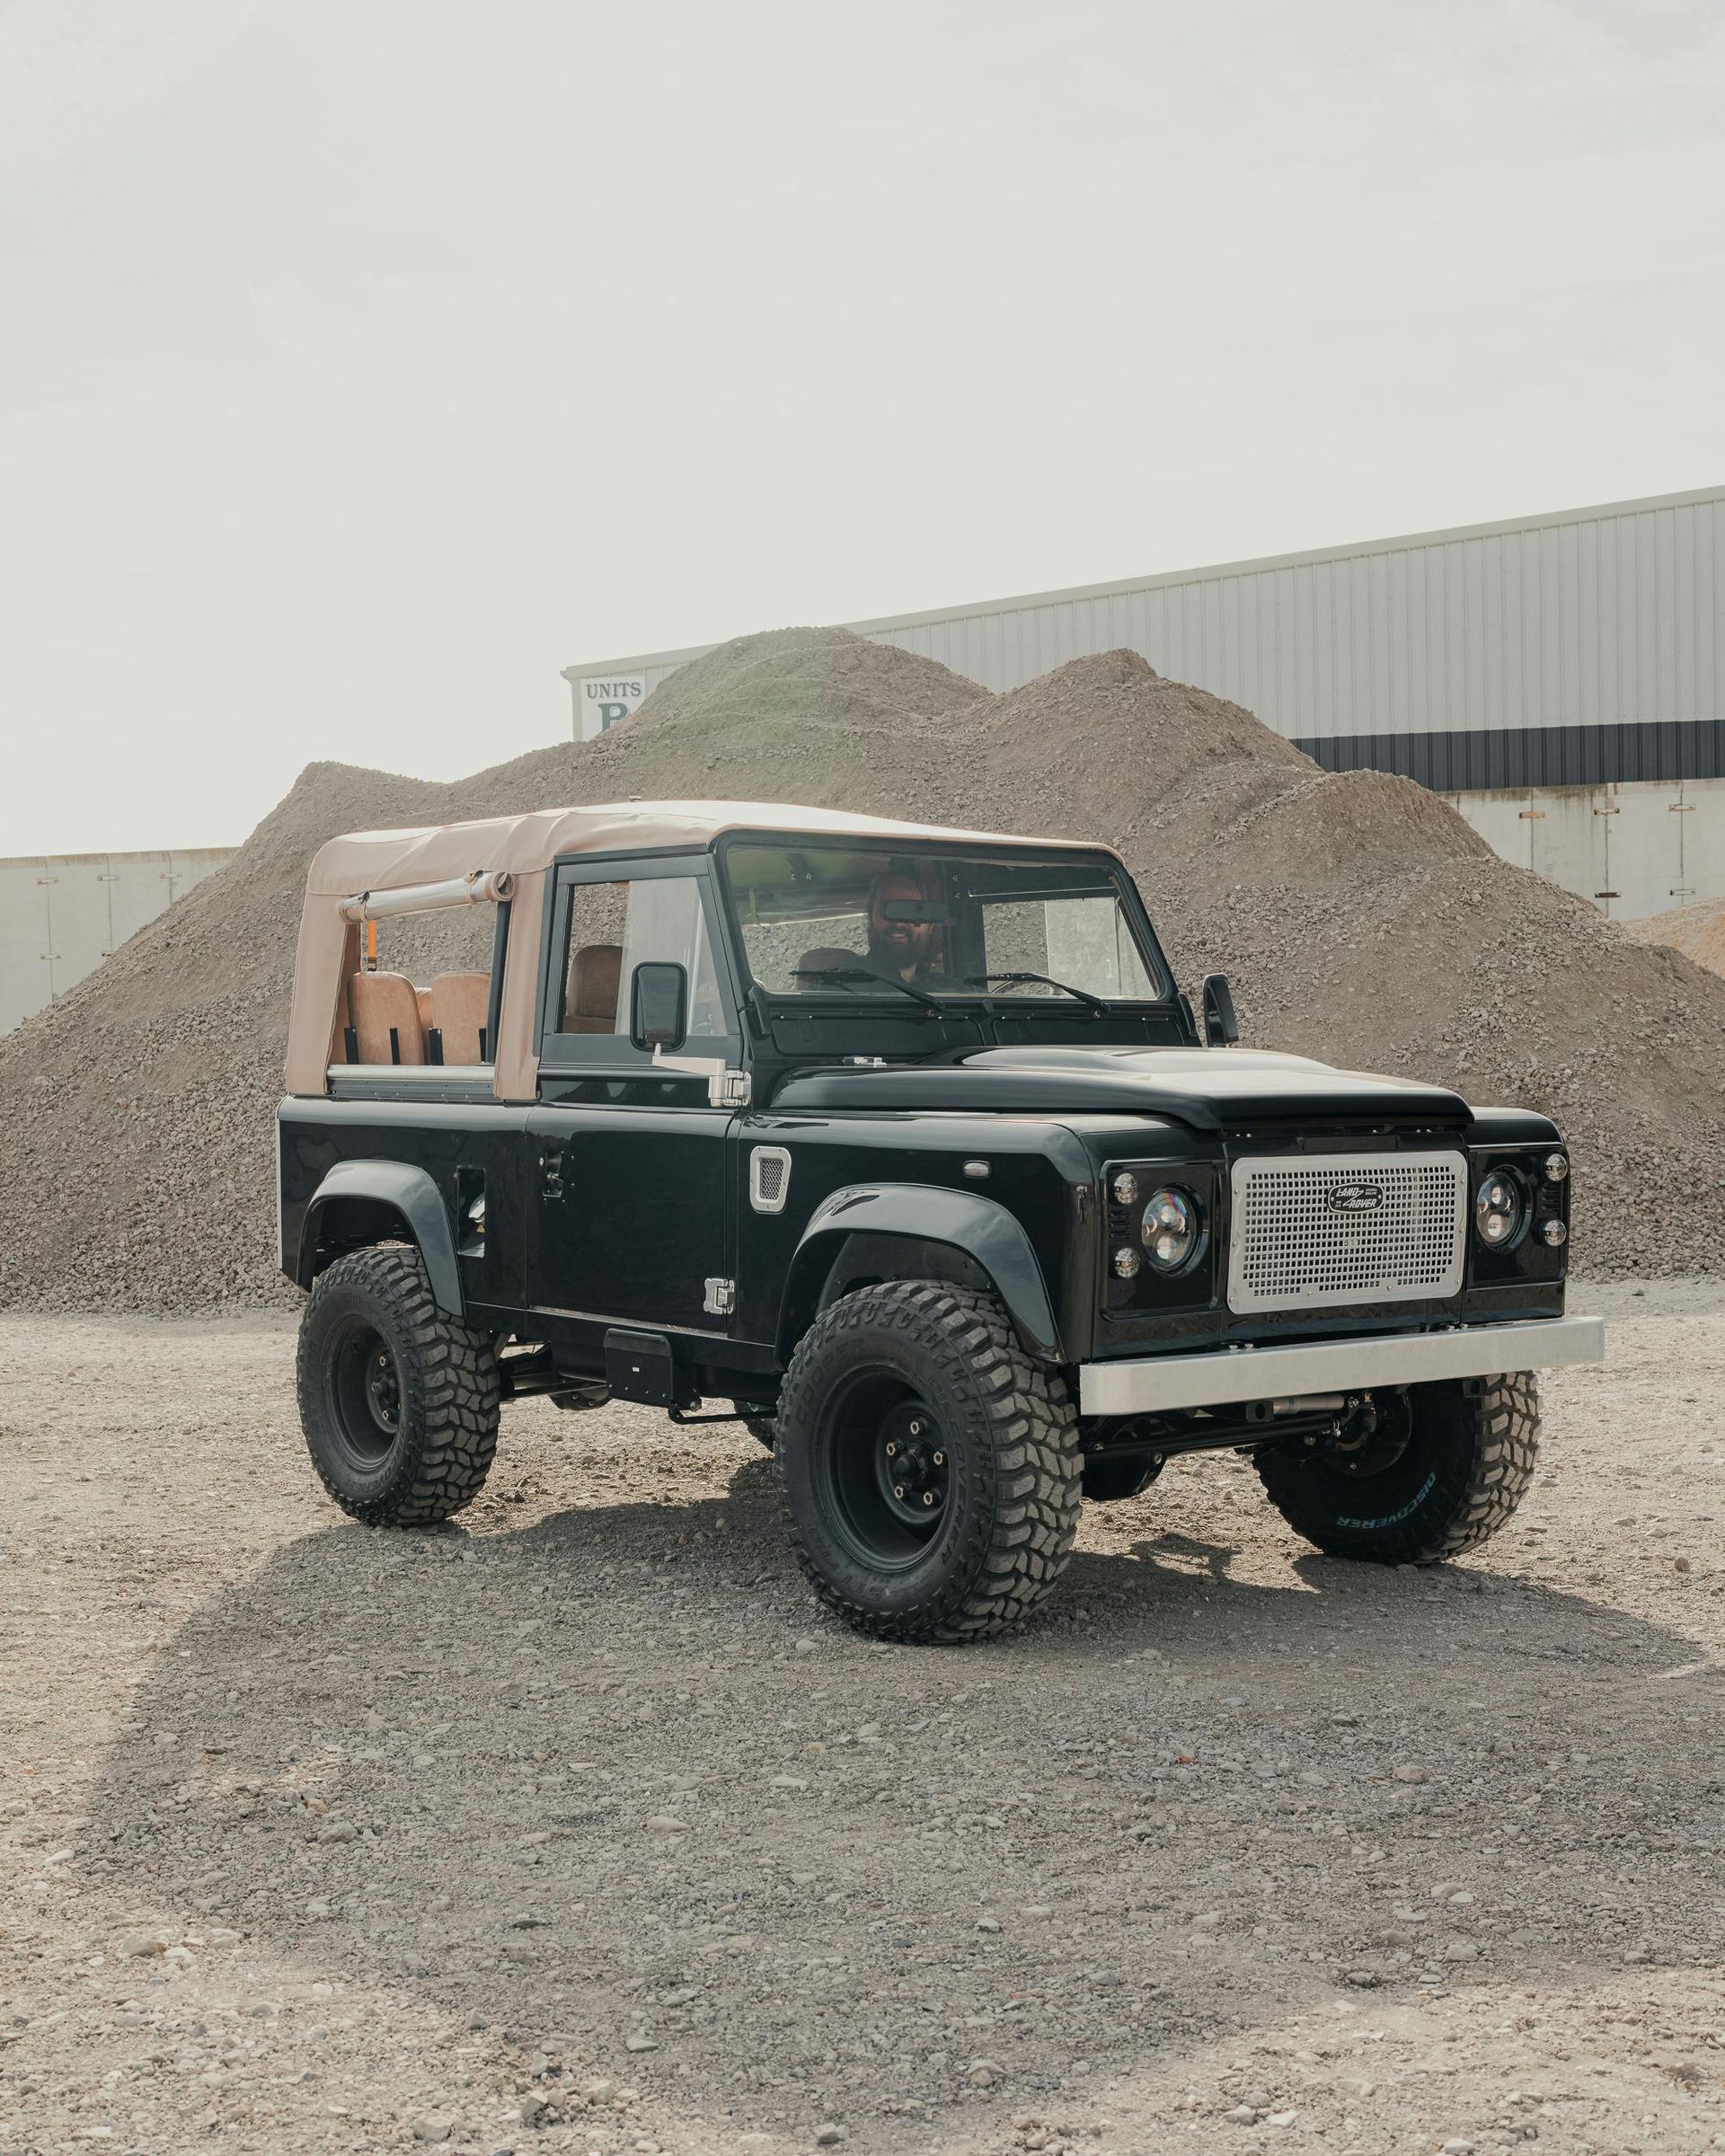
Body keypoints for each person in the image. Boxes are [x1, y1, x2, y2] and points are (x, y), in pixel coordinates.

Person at [862, 866, 948, 987]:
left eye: (911, 910)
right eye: (887, 909)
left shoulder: (956, 994)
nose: (898, 924)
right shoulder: (839, 990)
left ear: (930, 924)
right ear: (871, 917)